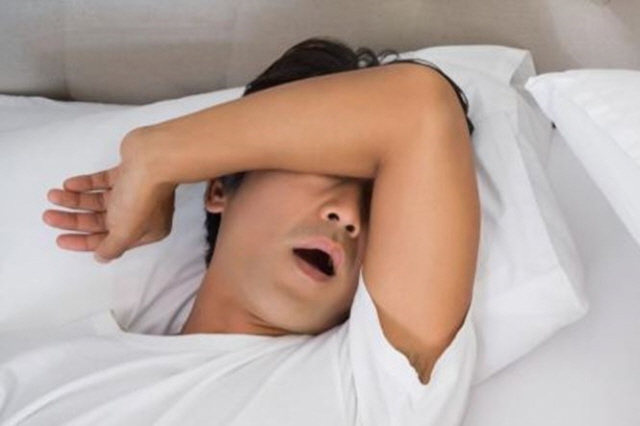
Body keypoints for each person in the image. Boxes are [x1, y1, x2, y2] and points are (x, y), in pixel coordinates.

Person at [3, 37, 480, 425]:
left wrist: (155, 156)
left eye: (376, 203)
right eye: (328, 172)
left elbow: (420, 109)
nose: (349, 215)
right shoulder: (43, 369)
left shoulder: (376, 384)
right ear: (218, 190)